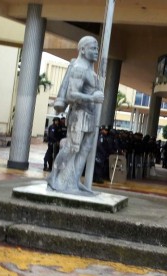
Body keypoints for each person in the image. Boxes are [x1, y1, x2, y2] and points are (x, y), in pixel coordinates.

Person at [47, 36, 105, 195]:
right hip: (78, 115)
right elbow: (71, 95)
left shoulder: (90, 69)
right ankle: (54, 177)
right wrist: (93, 98)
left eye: (97, 49)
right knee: (72, 148)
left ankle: (73, 181)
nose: (96, 52)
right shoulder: (79, 68)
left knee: (85, 149)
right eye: (93, 48)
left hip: (90, 115)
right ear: (83, 49)